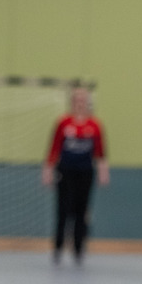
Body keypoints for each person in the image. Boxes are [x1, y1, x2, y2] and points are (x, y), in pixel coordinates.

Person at [42, 87, 109, 265]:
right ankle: (58, 247)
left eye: (83, 100)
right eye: (77, 100)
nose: (80, 103)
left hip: (85, 172)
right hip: (65, 171)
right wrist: (47, 170)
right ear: (72, 102)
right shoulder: (63, 123)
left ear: (87, 103)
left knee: (81, 210)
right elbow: (54, 147)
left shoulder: (95, 125)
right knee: (63, 209)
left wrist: (103, 171)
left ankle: (78, 248)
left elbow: (100, 151)